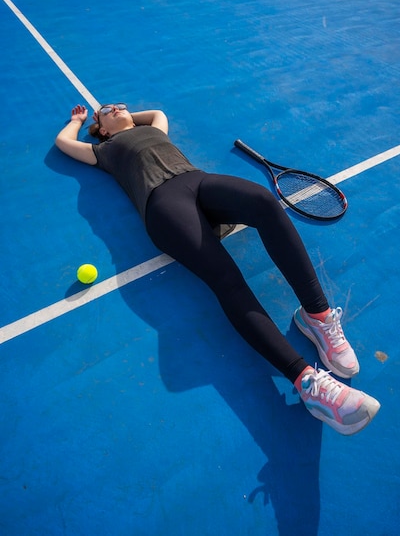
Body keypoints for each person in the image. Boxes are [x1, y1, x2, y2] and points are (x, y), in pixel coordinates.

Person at [55, 103, 380, 435]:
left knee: (265, 203)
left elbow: (156, 113)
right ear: (103, 130)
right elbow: (64, 143)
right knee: (225, 277)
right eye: (109, 110)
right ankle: (308, 384)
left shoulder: (154, 127)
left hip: (198, 182)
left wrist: (114, 118)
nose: (119, 107)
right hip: (164, 205)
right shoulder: (103, 151)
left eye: (121, 104)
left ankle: (317, 315)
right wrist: (80, 121)